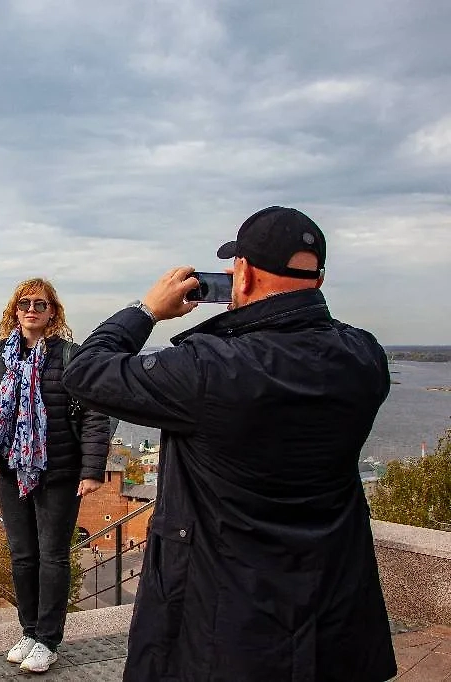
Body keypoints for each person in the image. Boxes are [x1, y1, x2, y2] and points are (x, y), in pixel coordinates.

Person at [62, 207, 396, 681]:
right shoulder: (364, 357)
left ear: (243, 274)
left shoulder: (210, 369)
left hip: (225, 609)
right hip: (332, 603)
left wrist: (146, 310)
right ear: (317, 280)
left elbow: (86, 372)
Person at [0, 277, 113, 674]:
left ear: (52, 313)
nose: (32, 309)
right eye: (25, 303)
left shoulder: (70, 357)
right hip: (12, 469)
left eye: (40, 304)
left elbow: (97, 413)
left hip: (59, 472)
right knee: (23, 556)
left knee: (53, 557)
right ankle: (28, 631)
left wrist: (92, 469)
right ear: (14, 310)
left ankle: (48, 639)